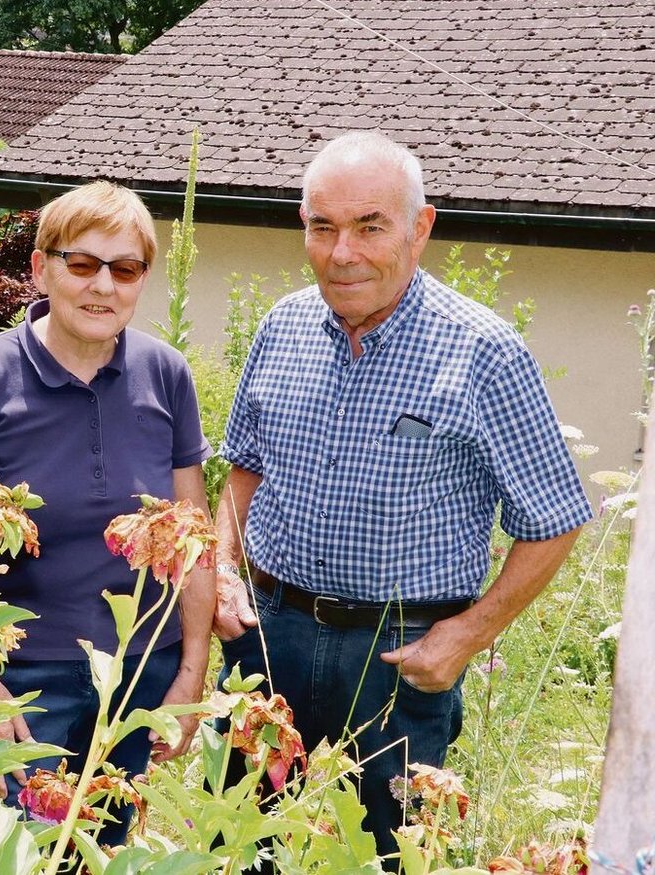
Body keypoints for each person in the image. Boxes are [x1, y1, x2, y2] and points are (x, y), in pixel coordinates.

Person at [211, 131, 592, 856]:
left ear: (420, 229)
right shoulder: (281, 326)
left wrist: (465, 637)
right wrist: (223, 569)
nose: (342, 251)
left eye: (369, 226)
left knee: (393, 856)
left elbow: (556, 518)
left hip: (397, 658)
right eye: (323, 227)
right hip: (270, 640)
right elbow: (245, 469)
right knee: (238, 845)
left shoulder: (484, 352)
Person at [0, 180, 216, 846]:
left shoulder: (167, 374)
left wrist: (192, 675)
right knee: (16, 852)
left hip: (141, 673)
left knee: (112, 852)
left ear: (142, 279)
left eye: (125, 268)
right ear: (40, 267)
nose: (101, 286)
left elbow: (194, 539)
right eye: (81, 264)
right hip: (24, 680)